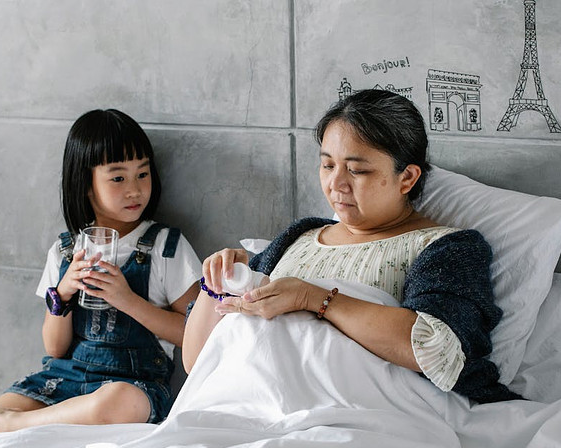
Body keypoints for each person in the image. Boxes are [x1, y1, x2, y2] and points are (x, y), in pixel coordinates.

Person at [183, 90, 520, 404]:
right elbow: (197, 364)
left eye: (357, 170)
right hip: (253, 404)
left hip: (363, 413)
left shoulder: (446, 248)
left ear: (407, 178)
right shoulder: (298, 238)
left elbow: (434, 350)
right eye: (328, 165)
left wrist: (312, 298)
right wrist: (215, 284)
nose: (336, 184)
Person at [0, 109, 202, 448]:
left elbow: (195, 335)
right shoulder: (65, 251)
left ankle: (10, 423)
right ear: (86, 185)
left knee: (117, 401)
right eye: (118, 178)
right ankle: (16, 421)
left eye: (143, 173)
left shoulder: (166, 247)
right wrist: (62, 293)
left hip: (131, 385)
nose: (135, 189)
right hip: (64, 379)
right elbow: (54, 348)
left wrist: (127, 301)